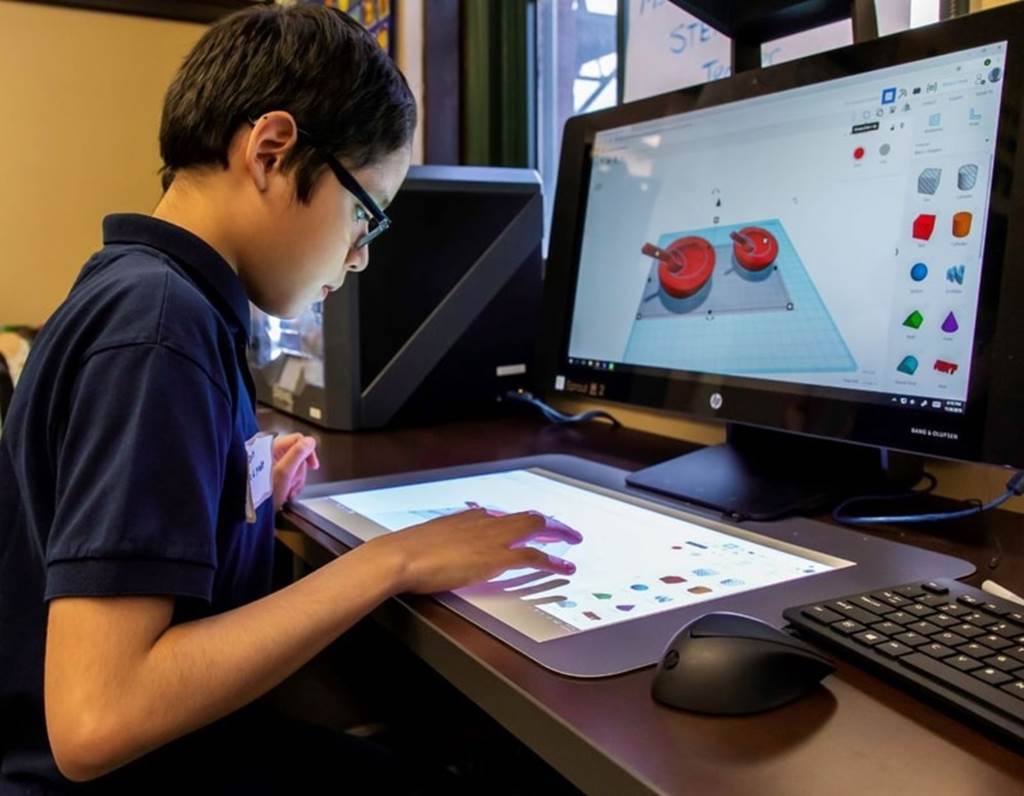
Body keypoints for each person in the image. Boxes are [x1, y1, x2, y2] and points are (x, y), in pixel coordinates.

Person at [0, 5, 580, 793]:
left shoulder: (148, 291)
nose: (360, 256)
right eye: (365, 213)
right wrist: (394, 559)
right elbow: (97, 719)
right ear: (272, 151)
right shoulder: (158, 329)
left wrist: (234, 490)